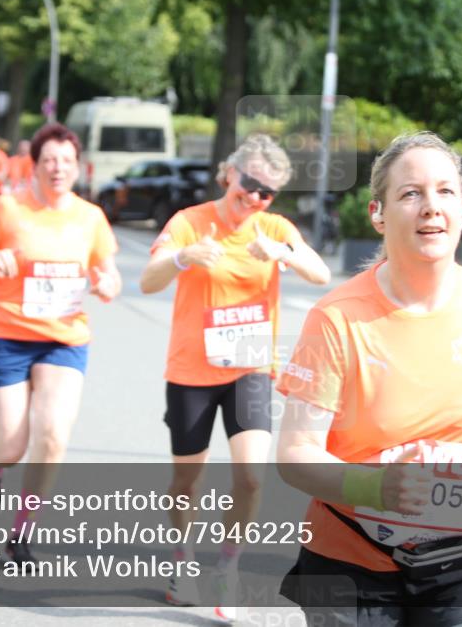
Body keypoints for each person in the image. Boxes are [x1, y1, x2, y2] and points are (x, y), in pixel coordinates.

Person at [276, 132, 462, 627]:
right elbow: (293, 456)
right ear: (378, 213)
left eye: (445, 192)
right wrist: (377, 486)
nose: (430, 207)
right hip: (351, 559)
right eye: (410, 193)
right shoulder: (336, 319)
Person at [138, 134, 331, 620]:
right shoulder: (190, 222)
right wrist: (184, 258)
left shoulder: (273, 227)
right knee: (188, 476)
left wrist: (283, 253)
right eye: (249, 183)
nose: (254, 197)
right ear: (229, 173)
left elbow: (320, 273)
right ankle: (182, 560)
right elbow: (148, 278)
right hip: (191, 370)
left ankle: (228, 565)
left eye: (267, 192)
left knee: (250, 474)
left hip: (250, 369)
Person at [0, 123, 122, 568]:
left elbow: (110, 274)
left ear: (77, 166)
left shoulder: (90, 217)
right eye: (49, 160)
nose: (57, 168)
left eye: (66, 161)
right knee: (11, 444)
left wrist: (107, 285)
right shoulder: (8, 209)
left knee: (52, 435)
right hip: (6, 335)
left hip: (63, 339)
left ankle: (21, 534)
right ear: (35, 163)